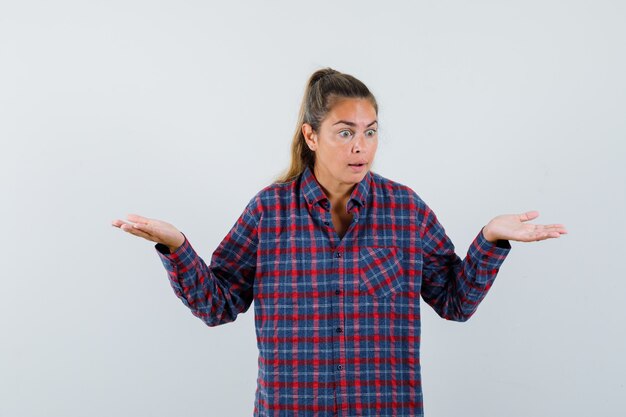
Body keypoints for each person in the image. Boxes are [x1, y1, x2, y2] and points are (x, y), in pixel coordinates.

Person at [112, 67, 567, 416]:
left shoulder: (405, 210)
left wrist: (490, 238)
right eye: (345, 132)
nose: (361, 147)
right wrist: (175, 247)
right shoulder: (269, 211)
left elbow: (455, 301)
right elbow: (217, 304)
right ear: (311, 136)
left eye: (370, 132)